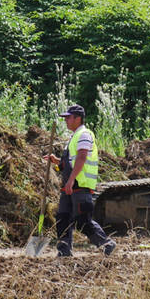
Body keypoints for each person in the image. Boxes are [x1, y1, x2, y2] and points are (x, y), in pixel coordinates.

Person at [43, 104, 116, 257]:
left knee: (82, 221)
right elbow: (69, 162)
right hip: (69, 186)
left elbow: (82, 158)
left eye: (68, 118)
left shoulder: (84, 134)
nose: (66, 121)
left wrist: (70, 180)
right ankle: (64, 251)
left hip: (80, 185)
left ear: (78, 118)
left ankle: (106, 244)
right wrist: (56, 161)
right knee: (63, 218)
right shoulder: (73, 137)